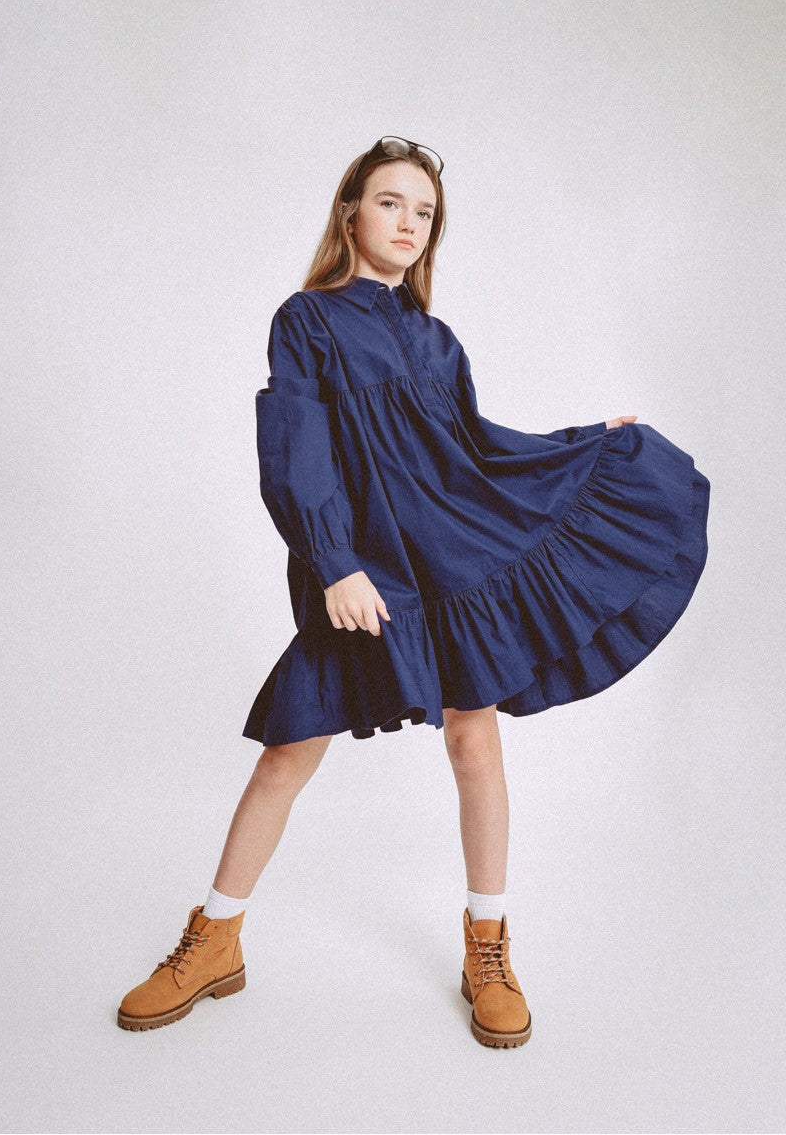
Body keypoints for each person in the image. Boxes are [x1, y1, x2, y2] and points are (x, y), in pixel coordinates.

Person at [117, 137, 710, 1047]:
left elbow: (476, 454)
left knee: (475, 741)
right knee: (287, 751)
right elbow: (294, 450)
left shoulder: (438, 341)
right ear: (350, 213)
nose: (408, 223)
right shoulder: (307, 320)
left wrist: (586, 441)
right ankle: (215, 938)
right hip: (359, 569)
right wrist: (334, 563)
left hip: (451, 560)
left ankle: (488, 947)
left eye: (424, 212)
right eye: (391, 202)